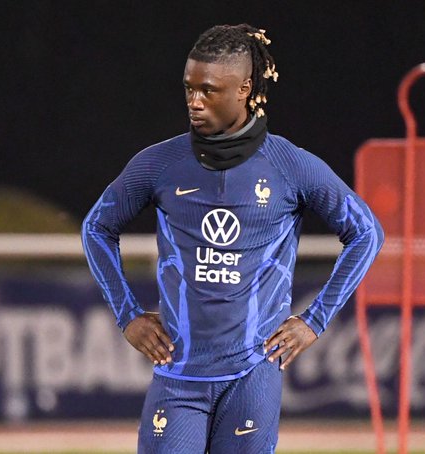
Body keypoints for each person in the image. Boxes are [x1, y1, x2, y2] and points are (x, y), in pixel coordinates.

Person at [81, 24, 384, 454]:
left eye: (208, 90)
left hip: (253, 377)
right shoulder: (159, 164)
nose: (194, 101)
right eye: (189, 88)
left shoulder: (290, 165)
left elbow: (367, 233)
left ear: (244, 89)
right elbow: (96, 228)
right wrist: (127, 314)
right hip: (178, 375)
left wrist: (314, 321)